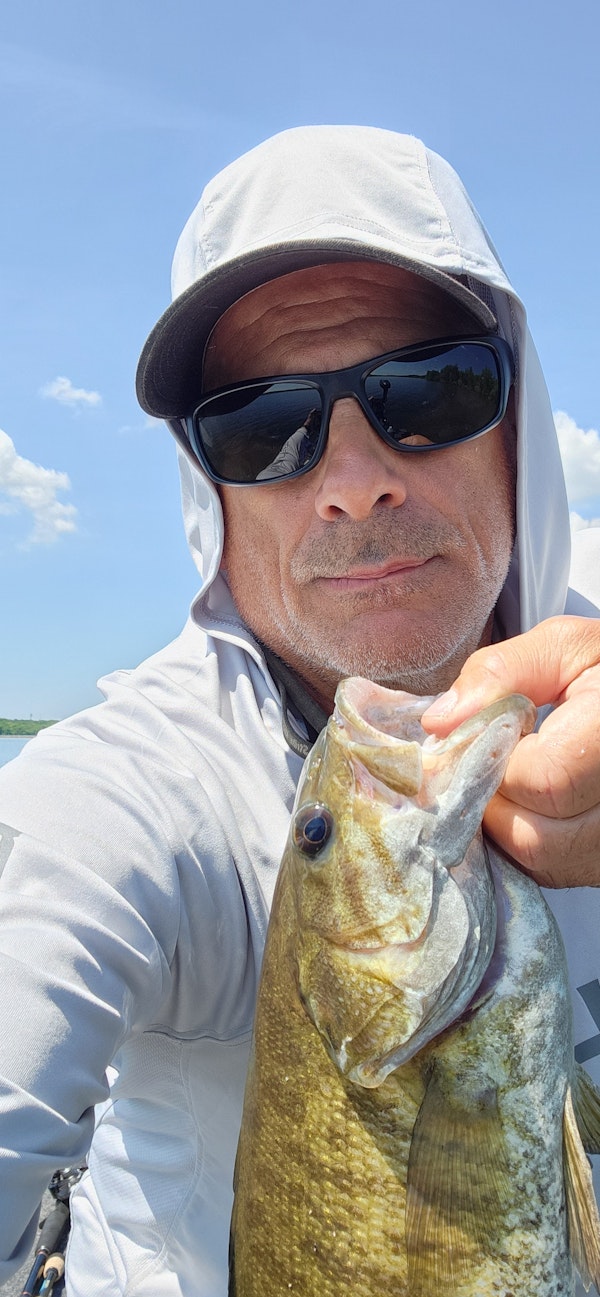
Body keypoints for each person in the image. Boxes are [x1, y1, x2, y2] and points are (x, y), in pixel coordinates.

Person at [0, 124, 599, 1297]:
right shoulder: (129, 797)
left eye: (428, 389)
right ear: (207, 486)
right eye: (261, 426)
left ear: (516, 419)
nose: (354, 482)